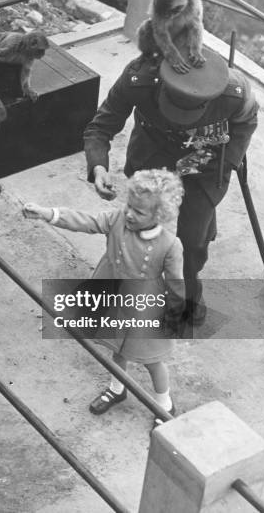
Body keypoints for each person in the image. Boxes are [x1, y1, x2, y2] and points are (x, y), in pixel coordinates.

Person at [84, 46, 258, 326]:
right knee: (136, 230)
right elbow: (101, 126)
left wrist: (228, 163)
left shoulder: (234, 93)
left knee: (191, 240)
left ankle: (188, 297)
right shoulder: (138, 79)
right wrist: (99, 167)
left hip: (206, 163)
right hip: (153, 155)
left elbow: (246, 123)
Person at [23, 169, 185, 420]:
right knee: (117, 348)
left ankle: (164, 404)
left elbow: (176, 283)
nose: (130, 213)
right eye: (129, 206)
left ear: (159, 215)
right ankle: (116, 389)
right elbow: (86, 221)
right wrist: (48, 214)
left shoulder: (170, 245)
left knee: (152, 359)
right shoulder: (118, 219)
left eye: (139, 212)